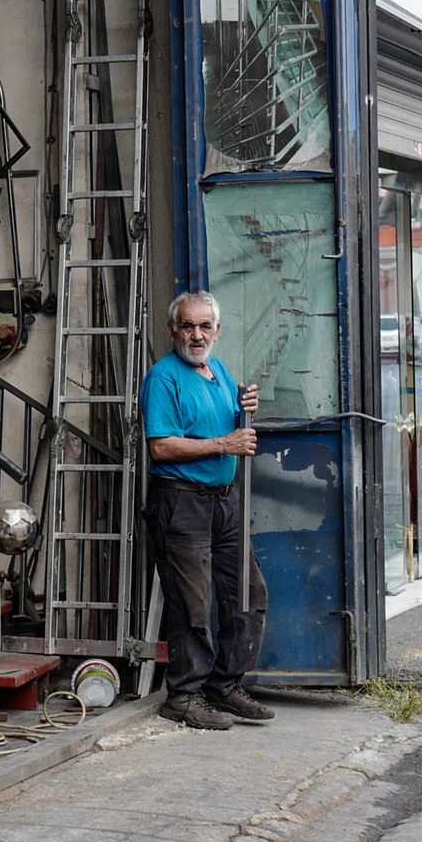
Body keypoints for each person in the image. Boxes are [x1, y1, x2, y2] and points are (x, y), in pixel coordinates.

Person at [139, 290, 273, 730]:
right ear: (172, 331)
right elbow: (161, 447)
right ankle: (183, 696)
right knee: (191, 603)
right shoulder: (164, 378)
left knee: (247, 594)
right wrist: (224, 444)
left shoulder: (219, 371)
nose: (196, 335)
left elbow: (230, 424)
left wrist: (245, 409)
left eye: (204, 326)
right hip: (182, 502)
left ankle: (224, 686)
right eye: (188, 326)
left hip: (224, 501)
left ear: (217, 331)